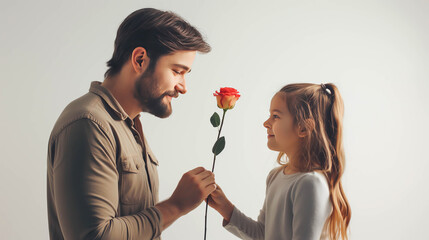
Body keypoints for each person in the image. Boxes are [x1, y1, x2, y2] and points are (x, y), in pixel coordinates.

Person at [47, 8, 215, 240]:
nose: (183, 86)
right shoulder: (89, 123)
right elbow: (94, 236)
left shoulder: (128, 126)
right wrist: (175, 206)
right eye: (177, 71)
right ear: (140, 60)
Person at [207, 83, 352, 240]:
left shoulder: (310, 183)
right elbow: (263, 234)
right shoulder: (275, 176)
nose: (266, 123)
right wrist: (225, 207)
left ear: (303, 128)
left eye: (275, 116)